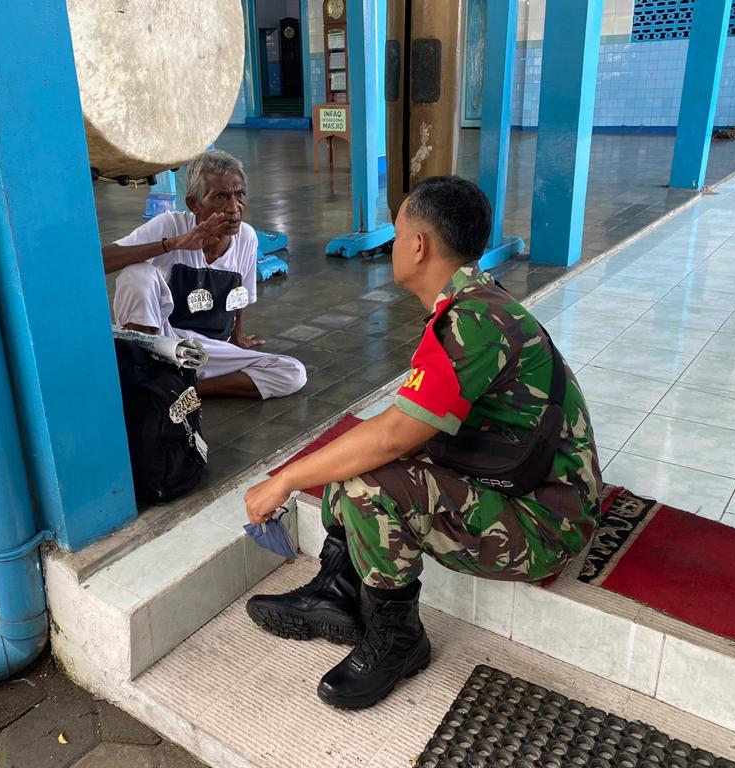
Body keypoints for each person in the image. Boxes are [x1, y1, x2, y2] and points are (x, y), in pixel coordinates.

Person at [243, 176, 602, 710]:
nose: (392, 243)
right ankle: (339, 594)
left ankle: (401, 639)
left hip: (548, 521)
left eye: (397, 230)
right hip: (517, 482)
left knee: (369, 478)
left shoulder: (474, 320)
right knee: (354, 458)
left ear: (418, 245)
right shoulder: (472, 303)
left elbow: (392, 437)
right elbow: (403, 426)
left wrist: (286, 479)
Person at [103, 150, 306, 399]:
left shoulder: (246, 237)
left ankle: (177, 389)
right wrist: (173, 244)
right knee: (137, 273)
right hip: (162, 341)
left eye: (240, 195)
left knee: (292, 372)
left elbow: (238, 293)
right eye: (221, 196)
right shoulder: (171, 225)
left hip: (207, 349)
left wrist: (237, 336)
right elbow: (100, 262)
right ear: (194, 204)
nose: (234, 208)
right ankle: (139, 368)